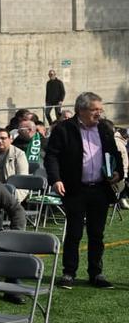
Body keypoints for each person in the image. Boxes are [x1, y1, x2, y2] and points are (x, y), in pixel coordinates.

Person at [44, 92, 123, 288]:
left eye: (100, 109)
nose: (99, 113)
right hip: (75, 189)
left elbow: (115, 154)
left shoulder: (104, 128)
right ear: (81, 109)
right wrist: (56, 179)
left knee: (97, 234)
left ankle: (96, 274)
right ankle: (69, 273)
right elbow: (51, 156)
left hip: (100, 190)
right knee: (74, 233)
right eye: (95, 109)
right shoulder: (64, 129)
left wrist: (117, 173)